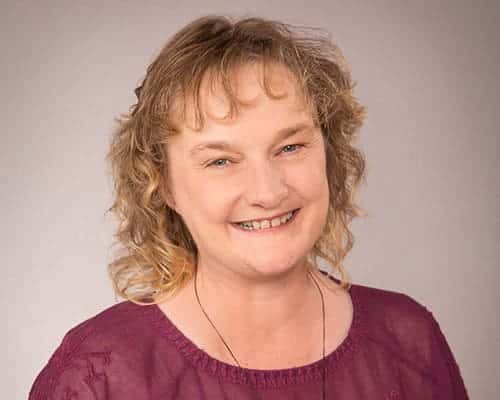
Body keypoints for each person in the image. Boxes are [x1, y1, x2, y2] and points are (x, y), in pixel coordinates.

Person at [28, 15, 469, 400]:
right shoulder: (97, 375)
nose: (267, 190)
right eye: (220, 160)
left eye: (291, 146)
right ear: (163, 185)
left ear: (328, 154)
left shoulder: (410, 340)